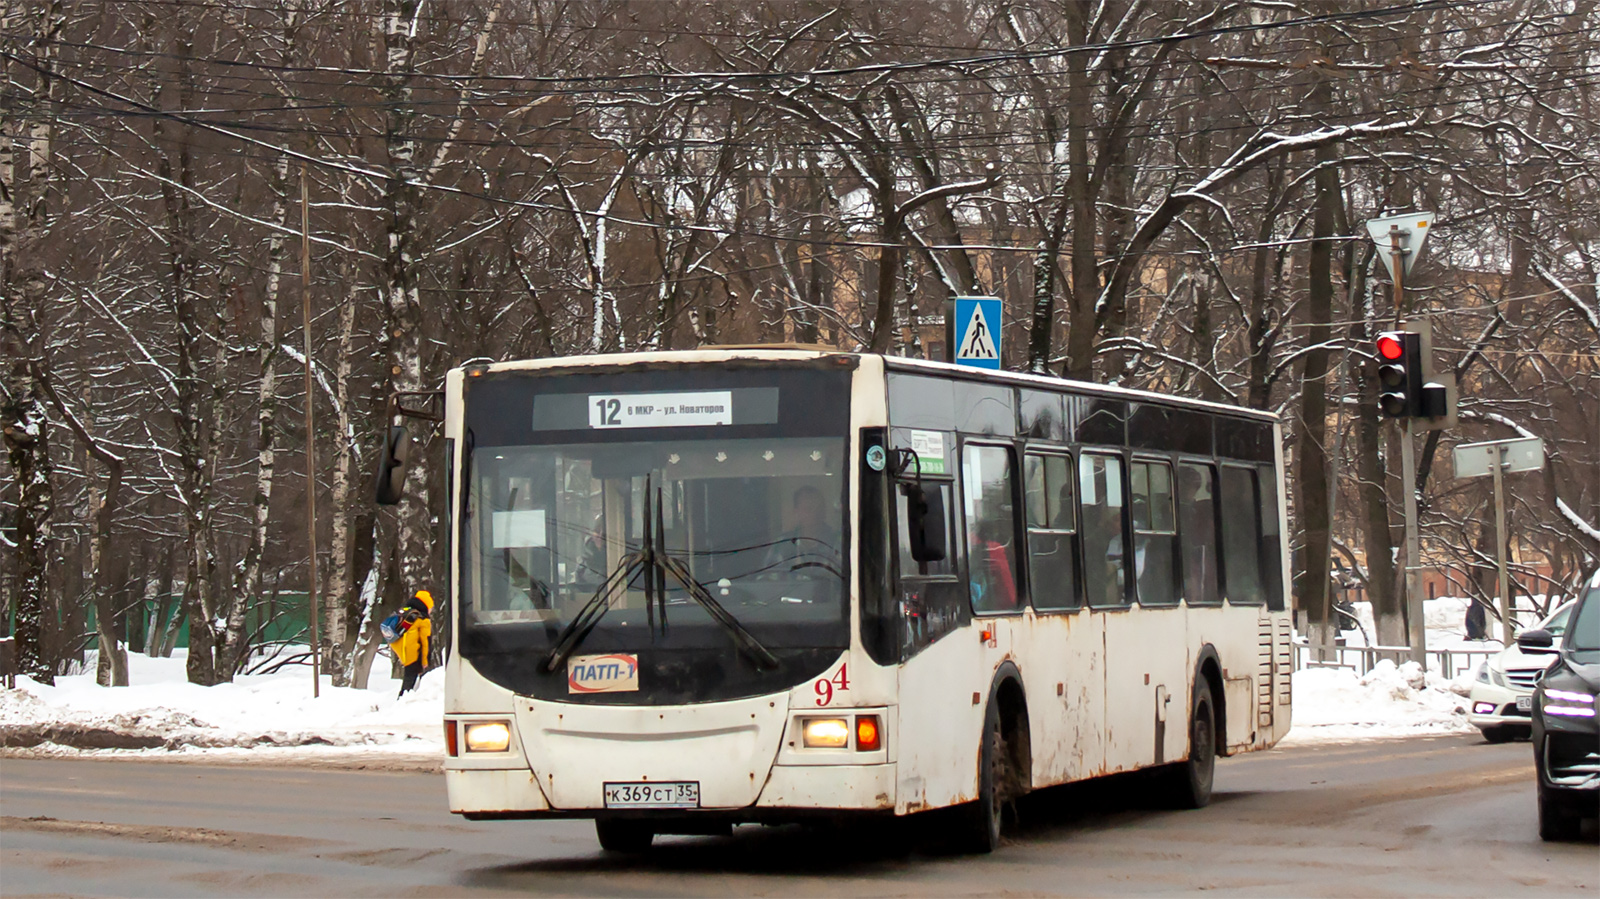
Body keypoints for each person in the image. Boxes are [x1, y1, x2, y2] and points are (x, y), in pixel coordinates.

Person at [766, 485, 841, 575]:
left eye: (819, 508)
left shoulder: (837, 542)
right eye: (808, 509)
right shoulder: (782, 544)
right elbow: (767, 581)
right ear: (797, 511)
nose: (815, 513)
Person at [393, 589, 434, 697]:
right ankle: (403, 702)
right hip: (415, 655)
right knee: (409, 684)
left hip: (405, 652)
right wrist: (425, 661)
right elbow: (425, 642)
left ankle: (402, 700)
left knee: (408, 680)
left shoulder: (407, 613)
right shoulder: (423, 619)